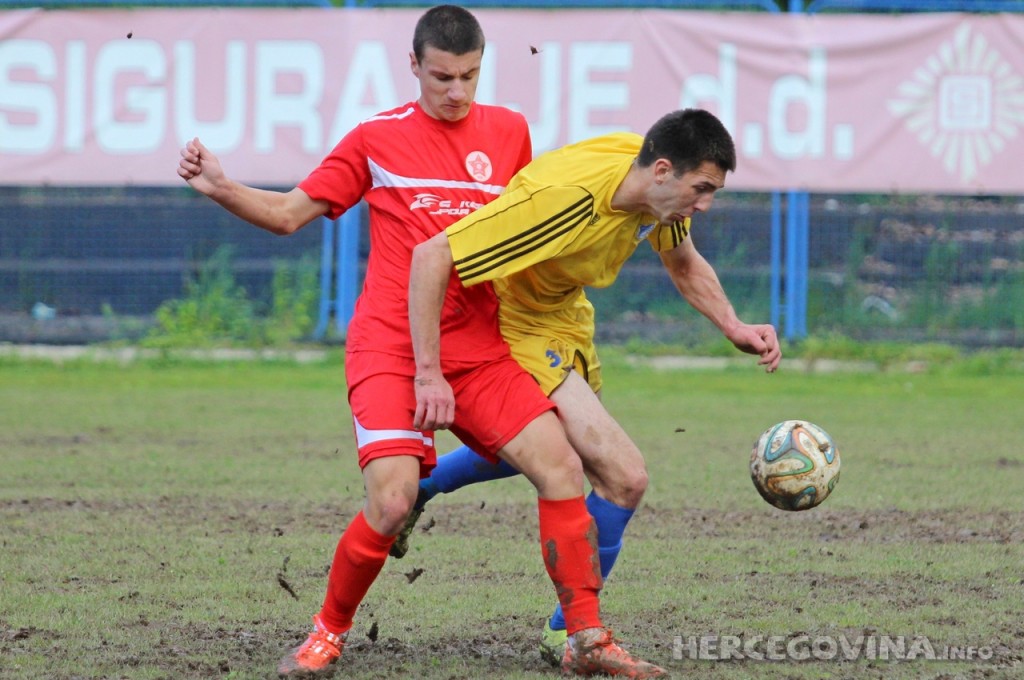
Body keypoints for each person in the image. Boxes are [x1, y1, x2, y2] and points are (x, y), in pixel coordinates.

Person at [177, 6, 666, 679]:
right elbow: (290, 215)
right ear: (414, 66)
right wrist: (222, 187)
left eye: (468, 76)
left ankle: (584, 637)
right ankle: (326, 634)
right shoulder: (375, 139)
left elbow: (521, 235)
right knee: (393, 498)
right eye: (441, 76)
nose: (456, 91)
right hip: (393, 349)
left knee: (562, 469)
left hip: (480, 348)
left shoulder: (510, 132)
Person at [407, 107, 782, 665]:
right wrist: (429, 370)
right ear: (662, 170)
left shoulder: (651, 185)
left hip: (563, 317)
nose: (704, 203)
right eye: (701, 189)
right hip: (512, 323)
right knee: (623, 475)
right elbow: (436, 254)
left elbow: (681, 259)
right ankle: (571, 632)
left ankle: (424, 485)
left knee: (539, 450)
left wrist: (731, 323)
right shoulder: (565, 200)